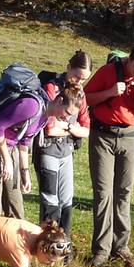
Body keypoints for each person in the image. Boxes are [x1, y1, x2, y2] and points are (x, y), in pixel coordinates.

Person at [0, 84, 84, 267]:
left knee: (17, 210)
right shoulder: (32, 106)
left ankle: (17, 261)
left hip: (9, 151)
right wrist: (6, 160)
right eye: (67, 112)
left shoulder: (46, 116)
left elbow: (24, 142)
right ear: (58, 101)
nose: (67, 118)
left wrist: (24, 173)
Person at [83, 43, 134, 267]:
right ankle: (101, 250)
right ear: (129, 59)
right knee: (103, 193)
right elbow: (83, 99)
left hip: (130, 138)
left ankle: (121, 247)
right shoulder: (108, 72)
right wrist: (110, 92)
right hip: (102, 136)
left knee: (123, 193)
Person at [34, 50, 93, 240]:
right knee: (50, 200)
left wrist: (66, 126)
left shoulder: (80, 95)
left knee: (66, 201)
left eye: (83, 79)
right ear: (68, 68)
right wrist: (73, 128)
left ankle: (64, 244)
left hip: (67, 152)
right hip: (48, 151)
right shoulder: (52, 88)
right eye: (76, 75)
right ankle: (47, 243)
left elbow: (87, 130)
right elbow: (49, 128)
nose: (78, 81)